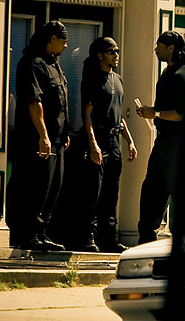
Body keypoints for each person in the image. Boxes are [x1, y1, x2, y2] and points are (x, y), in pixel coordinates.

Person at [6, 21, 70, 251]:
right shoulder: (32, 63)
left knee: (53, 187)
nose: (66, 44)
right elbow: (35, 102)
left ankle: (42, 234)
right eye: (63, 40)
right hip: (37, 140)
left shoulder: (55, 64)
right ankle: (27, 235)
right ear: (52, 38)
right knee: (35, 187)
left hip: (58, 140)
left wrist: (64, 132)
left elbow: (61, 102)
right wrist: (43, 135)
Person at [135, 31, 185, 244]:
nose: (156, 49)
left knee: (184, 197)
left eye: (159, 46)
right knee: (152, 191)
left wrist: (154, 113)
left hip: (181, 144)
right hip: (164, 141)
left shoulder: (182, 75)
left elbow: (181, 113)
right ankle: (146, 241)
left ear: (171, 48)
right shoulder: (167, 73)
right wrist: (152, 111)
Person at [73, 37, 137, 253]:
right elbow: (87, 114)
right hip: (96, 139)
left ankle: (109, 239)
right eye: (112, 51)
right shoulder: (92, 78)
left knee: (112, 192)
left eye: (117, 51)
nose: (116, 55)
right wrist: (92, 145)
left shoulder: (117, 79)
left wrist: (130, 141)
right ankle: (86, 238)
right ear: (100, 54)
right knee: (93, 192)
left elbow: (119, 114)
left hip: (114, 141)